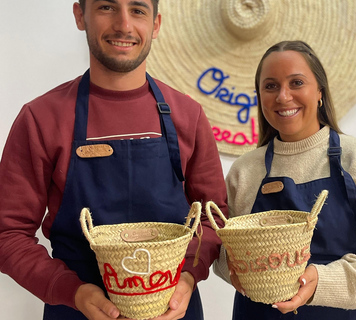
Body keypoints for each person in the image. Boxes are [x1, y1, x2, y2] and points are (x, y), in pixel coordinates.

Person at [0, 0, 228, 319]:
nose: (124, 24)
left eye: (137, 10)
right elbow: (7, 233)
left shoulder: (187, 116)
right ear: (81, 16)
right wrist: (71, 291)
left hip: (174, 307)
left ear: (156, 24)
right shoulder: (40, 119)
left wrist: (188, 277)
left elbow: (214, 218)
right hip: (75, 309)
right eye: (107, 7)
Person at [213, 40, 356, 319]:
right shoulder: (244, 172)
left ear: (319, 91)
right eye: (270, 86)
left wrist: (319, 281)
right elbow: (221, 248)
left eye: (296, 82)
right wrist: (238, 270)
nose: (283, 97)